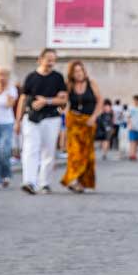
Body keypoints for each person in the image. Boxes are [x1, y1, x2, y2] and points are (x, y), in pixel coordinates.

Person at [15, 48, 67, 194]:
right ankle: (29, 181)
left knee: (48, 151)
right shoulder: (31, 77)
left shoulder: (58, 78)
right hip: (31, 118)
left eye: (53, 59)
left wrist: (47, 101)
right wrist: (18, 121)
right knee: (30, 149)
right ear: (40, 59)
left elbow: (63, 99)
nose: (51, 62)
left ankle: (44, 183)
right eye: (48, 58)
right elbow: (23, 99)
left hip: (51, 118)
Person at [61, 59, 100, 192]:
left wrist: (94, 117)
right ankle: (73, 179)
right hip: (74, 122)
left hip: (88, 122)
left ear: (84, 71)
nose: (79, 73)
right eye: (75, 71)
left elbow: (99, 101)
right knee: (75, 153)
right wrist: (63, 111)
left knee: (87, 154)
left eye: (80, 70)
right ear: (71, 73)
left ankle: (81, 183)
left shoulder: (91, 83)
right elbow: (64, 102)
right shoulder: (69, 85)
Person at [127, 94, 138, 161]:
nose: (136, 101)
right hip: (132, 127)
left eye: (137, 100)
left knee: (137, 142)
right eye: (135, 100)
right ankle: (131, 154)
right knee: (132, 141)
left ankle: (135, 154)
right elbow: (128, 117)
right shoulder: (131, 108)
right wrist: (130, 124)